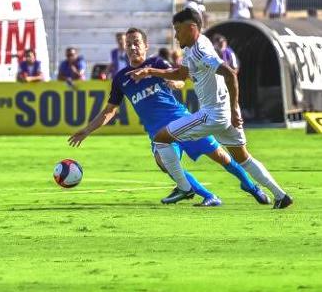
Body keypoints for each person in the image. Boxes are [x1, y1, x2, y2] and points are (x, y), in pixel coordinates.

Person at [69, 27, 269, 207]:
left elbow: (181, 80)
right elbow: (109, 110)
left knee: (222, 157)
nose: (132, 47)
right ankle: (208, 195)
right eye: (128, 44)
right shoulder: (121, 78)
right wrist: (87, 130)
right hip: (159, 133)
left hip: (184, 122)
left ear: (145, 46)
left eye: (136, 43)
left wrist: (174, 83)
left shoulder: (156, 63)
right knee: (165, 164)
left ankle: (251, 187)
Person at [129, 9, 293, 208]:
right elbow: (181, 75)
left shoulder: (201, 52)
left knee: (161, 139)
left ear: (191, 28)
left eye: (178, 30)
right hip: (223, 115)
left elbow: (230, 74)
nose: (175, 35)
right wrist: (150, 71)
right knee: (243, 158)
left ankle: (185, 188)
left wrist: (233, 109)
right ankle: (280, 195)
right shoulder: (193, 48)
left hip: (213, 114)